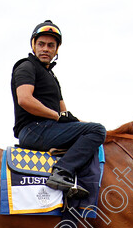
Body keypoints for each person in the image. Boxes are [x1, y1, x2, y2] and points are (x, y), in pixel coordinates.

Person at [11, 20, 106, 199]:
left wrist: (90, 126)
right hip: (34, 129)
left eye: (50, 45)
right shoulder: (26, 66)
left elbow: (67, 115)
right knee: (97, 130)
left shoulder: (52, 78)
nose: (45, 49)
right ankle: (62, 172)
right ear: (33, 45)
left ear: (56, 50)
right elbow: (24, 99)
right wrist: (57, 117)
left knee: (97, 130)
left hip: (50, 128)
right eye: (41, 44)